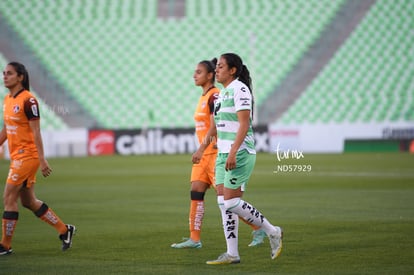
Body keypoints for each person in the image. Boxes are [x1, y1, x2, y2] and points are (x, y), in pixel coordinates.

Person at [171, 58, 265, 249]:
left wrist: (213, 148)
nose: (194, 75)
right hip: (204, 156)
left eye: (199, 72)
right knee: (196, 192)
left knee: (227, 201)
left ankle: (258, 226)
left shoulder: (216, 96)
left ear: (210, 75)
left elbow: (219, 125)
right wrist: (200, 150)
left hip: (217, 154)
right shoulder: (205, 96)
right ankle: (194, 239)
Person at [206, 53, 283, 265]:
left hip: (238, 153)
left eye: (221, 66)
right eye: (217, 66)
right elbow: (222, 125)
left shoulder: (240, 89)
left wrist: (232, 151)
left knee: (231, 202)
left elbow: (244, 124)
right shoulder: (222, 94)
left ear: (232, 70)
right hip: (223, 153)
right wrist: (212, 146)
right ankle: (232, 254)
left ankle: (272, 230)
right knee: (223, 202)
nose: (217, 70)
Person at [0, 62, 76, 256]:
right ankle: (64, 230)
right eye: (4, 73)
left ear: (20, 77)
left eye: (9, 73)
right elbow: (7, 129)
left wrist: (42, 160)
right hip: (17, 156)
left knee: (8, 197)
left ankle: (5, 245)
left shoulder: (29, 101)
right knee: (28, 201)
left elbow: (36, 132)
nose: (5, 76)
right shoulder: (7, 100)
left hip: (27, 157)